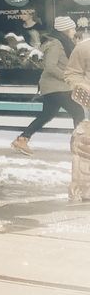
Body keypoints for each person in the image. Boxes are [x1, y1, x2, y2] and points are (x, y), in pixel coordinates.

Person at [13, 17, 85, 153]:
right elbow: (50, 67)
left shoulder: (65, 43)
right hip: (56, 87)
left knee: (47, 114)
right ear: (65, 29)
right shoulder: (56, 44)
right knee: (78, 111)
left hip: (56, 87)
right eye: (72, 28)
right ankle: (78, 145)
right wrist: (68, 78)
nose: (74, 31)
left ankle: (22, 139)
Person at [65, 35, 90, 202]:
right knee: (85, 145)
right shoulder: (84, 48)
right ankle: (84, 187)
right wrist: (83, 88)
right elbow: (72, 73)